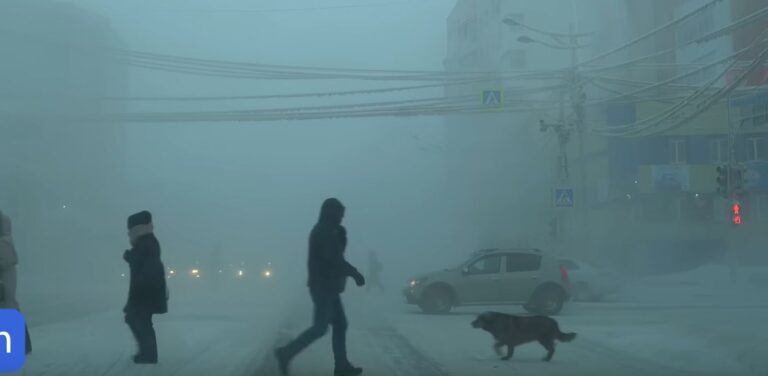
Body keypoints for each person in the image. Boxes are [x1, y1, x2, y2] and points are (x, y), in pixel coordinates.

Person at [275, 198, 365, 376]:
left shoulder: (329, 231)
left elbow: (336, 255)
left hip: (328, 286)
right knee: (320, 327)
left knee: (340, 325)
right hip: (323, 287)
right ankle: (285, 353)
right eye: (340, 214)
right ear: (331, 213)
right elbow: (334, 260)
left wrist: (341, 238)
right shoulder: (323, 231)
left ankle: (341, 366)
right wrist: (354, 273)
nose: (341, 218)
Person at [123, 211, 168, 364]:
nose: (129, 235)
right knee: (134, 319)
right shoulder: (145, 242)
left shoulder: (146, 242)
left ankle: (148, 355)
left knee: (140, 322)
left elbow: (150, 267)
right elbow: (141, 262)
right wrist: (130, 257)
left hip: (145, 291)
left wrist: (132, 258)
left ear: (136, 229)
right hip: (143, 291)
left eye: (131, 231)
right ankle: (146, 353)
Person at [0, 211, 31, 354]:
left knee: (8, 308)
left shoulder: (4, 244)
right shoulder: (6, 242)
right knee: (9, 307)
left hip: (4, 286)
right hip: (6, 285)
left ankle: (17, 346)